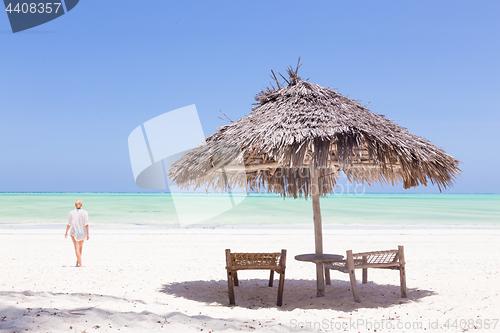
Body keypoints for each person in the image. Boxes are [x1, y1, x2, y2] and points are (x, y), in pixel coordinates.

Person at [64, 200, 89, 267]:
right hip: (82, 232)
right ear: (81, 205)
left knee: (76, 248)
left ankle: (79, 263)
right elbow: (86, 224)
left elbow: (69, 223)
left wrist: (66, 231)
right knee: (80, 248)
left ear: (75, 205)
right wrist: (88, 234)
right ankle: (78, 262)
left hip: (74, 232)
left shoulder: (71, 213)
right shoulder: (85, 213)